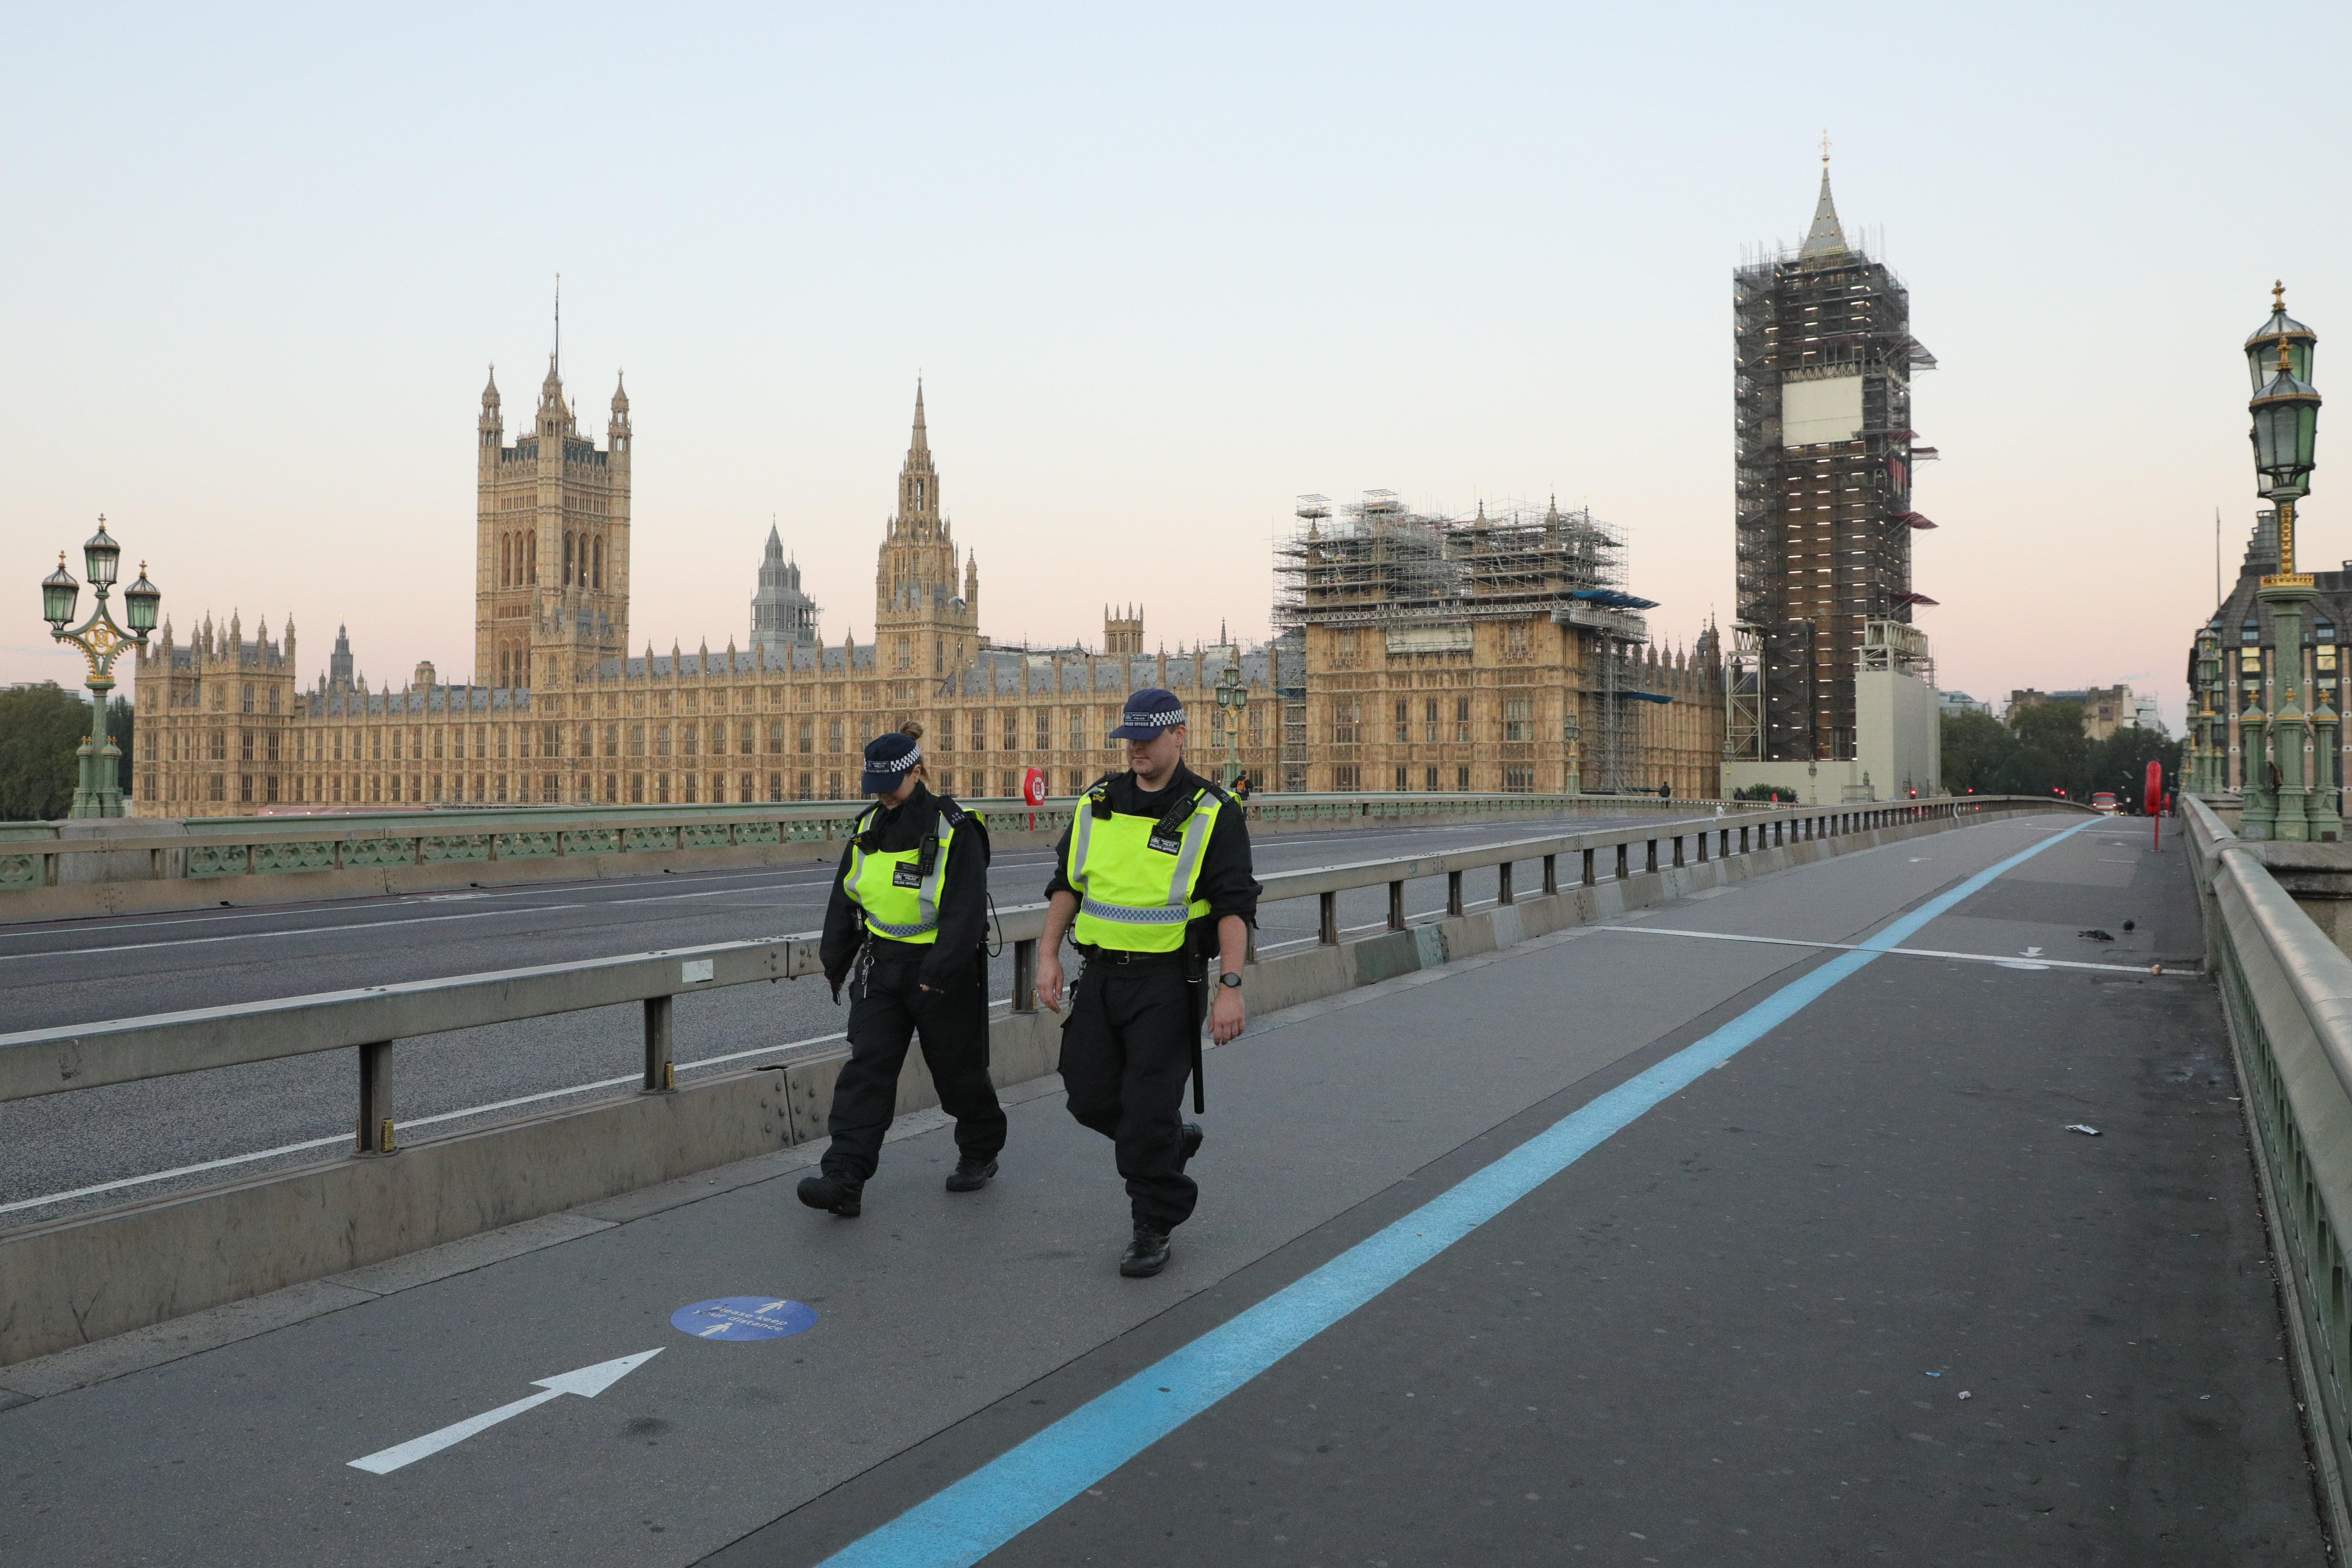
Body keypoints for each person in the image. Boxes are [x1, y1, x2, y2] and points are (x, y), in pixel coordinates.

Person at [1035, 687, 1259, 1278]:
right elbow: (1067, 883)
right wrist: (1049, 954)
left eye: (1147, 736)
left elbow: (1235, 905)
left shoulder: (1213, 811)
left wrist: (1230, 985)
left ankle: (1154, 1221)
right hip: (1101, 976)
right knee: (1085, 1096)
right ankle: (1164, 1140)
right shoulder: (1097, 802)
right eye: (1128, 738)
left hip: (1168, 984)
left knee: (1145, 1105)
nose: (1135, 747)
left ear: (1179, 734)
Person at [797, 722, 1006, 1218]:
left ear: (918, 772)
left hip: (942, 971)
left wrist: (937, 971)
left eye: (891, 785)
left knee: (957, 1072)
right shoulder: (868, 827)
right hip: (881, 966)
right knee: (866, 1070)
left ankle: (980, 1149)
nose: (884, 796)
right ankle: (844, 1176)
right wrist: (836, 961)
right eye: (876, 788)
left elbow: (964, 911)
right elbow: (845, 899)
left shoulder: (956, 828)